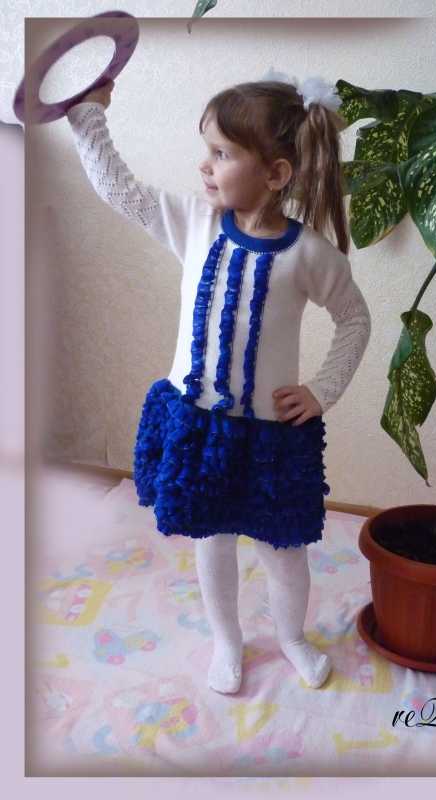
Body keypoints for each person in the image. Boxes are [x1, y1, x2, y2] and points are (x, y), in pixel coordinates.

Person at [66, 68, 371, 695]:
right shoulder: (194, 222)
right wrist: (87, 115)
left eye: (223, 153)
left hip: (270, 438)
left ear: (276, 173)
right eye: (207, 149)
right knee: (213, 540)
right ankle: (227, 641)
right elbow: (118, 189)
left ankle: (291, 637)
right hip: (198, 425)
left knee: (284, 550)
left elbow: (355, 319)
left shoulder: (309, 254)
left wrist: (322, 390)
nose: (205, 165)